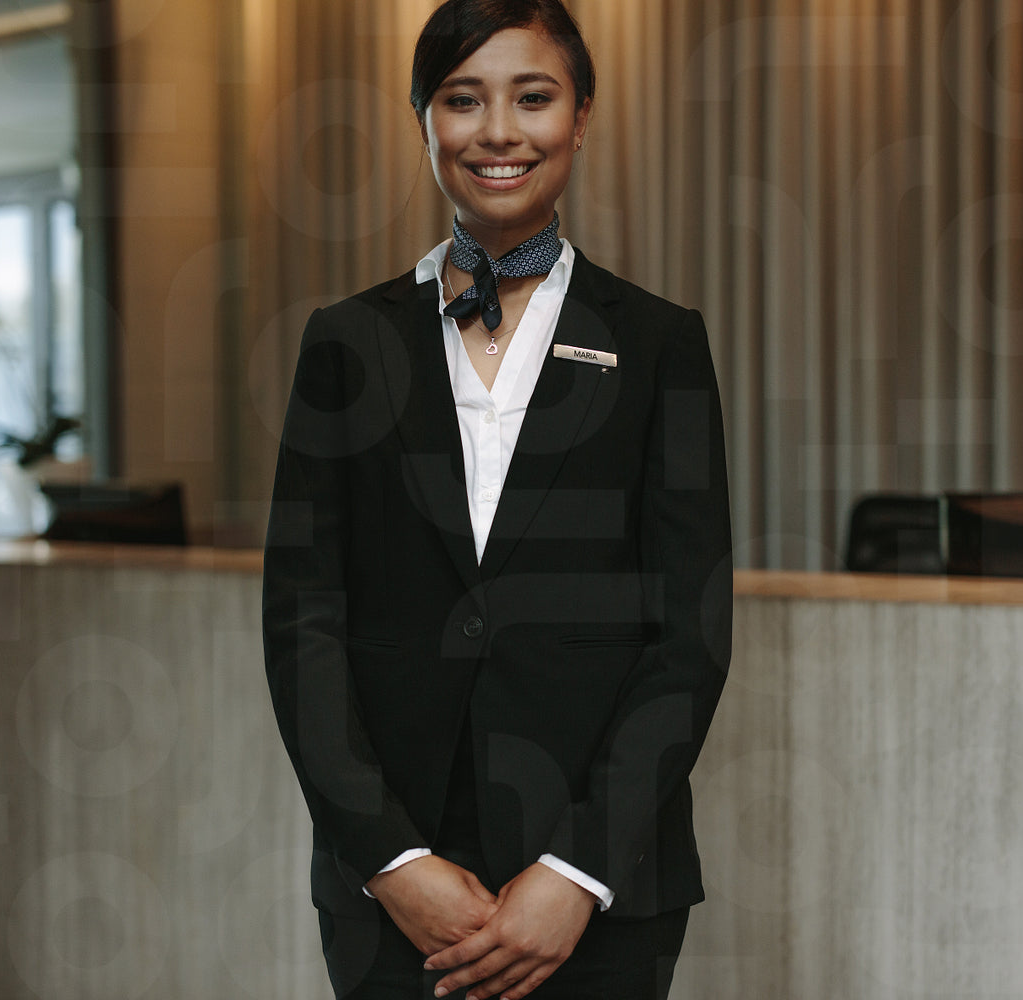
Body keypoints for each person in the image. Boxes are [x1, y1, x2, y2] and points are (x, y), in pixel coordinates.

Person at [262, 1, 732, 997]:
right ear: (424, 119)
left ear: (581, 116)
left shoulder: (660, 344)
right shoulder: (346, 344)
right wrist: (390, 859)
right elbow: (303, 622)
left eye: (534, 97)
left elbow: (690, 635)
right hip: (394, 882)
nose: (499, 132)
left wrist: (576, 871)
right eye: (463, 99)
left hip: (602, 885)